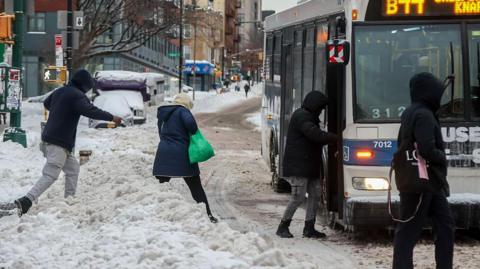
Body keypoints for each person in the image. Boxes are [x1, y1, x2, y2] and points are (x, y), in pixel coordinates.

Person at [14, 69, 122, 215]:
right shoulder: (77, 96)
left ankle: (69, 201)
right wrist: (112, 117)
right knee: (50, 174)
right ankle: (26, 200)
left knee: (73, 169)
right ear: (84, 85)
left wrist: (61, 110)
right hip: (58, 141)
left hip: (53, 139)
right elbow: (90, 111)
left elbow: (47, 103)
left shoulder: (61, 91)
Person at [392, 73, 454, 269]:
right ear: (429, 93)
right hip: (422, 181)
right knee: (409, 231)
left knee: (445, 226)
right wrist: (443, 157)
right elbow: (426, 149)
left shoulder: (412, 112)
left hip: (426, 182)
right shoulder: (424, 115)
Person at [276, 91, 337, 239]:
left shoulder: (308, 116)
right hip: (299, 166)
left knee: (315, 195)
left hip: (308, 165)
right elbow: (314, 134)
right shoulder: (302, 117)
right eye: (320, 108)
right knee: (298, 196)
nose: (321, 111)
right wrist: (335, 138)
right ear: (315, 106)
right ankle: (283, 226)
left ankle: (309, 228)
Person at [153, 93, 218, 223]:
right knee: (195, 185)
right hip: (182, 154)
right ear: (186, 103)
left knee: (162, 186)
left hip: (163, 153)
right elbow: (192, 127)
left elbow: (161, 132)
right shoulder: (183, 111)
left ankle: (156, 214)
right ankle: (208, 215)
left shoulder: (164, 114)